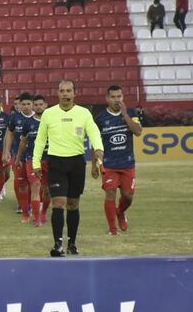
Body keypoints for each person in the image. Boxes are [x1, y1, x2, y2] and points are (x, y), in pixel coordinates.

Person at [33, 80, 104, 257]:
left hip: (77, 163)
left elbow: (94, 132)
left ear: (74, 94)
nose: (65, 94)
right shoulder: (49, 114)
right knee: (59, 203)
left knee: (73, 204)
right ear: (57, 94)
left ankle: (72, 242)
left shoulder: (84, 113)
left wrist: (98, 149)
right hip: (56, 162)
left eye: (68, 91)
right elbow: (40, 140)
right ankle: (57, 244)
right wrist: (36, 163)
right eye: (62, 91)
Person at [93, 85, 142, 236]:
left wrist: (125, 114)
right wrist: (94, 164)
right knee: (110, 194)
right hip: (109, 164)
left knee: (128, 196)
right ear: (107, 99)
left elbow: (138, 131)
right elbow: (95, 142)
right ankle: (113, 229)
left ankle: (120, 212)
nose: (116, 100)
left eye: (119, 96)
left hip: (127, 163)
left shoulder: (131, 113)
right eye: (113, 97)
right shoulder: (100, 119)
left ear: (123, 98)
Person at [16, 94, 50, 226]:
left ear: (46, 105)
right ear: (33, 106)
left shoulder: (51, 121)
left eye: (41, 104)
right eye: (36, 105)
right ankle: (37, 219)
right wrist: (18, 159)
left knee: (47, 190)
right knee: (35, 186)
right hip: (32, 160)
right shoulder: (28, 123)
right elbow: (23, 143)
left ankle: (44, 212)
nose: (38, 107)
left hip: (49, 159)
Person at [3, 93, 36, 218]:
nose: (26, 107)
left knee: (34, 182)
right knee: (20, 182)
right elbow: (9, 134)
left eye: (28, 104)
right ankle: (23, 205)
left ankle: (33, 204)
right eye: (24, 104)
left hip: (34, 157)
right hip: (18, 156)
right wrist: (6, 151)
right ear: (19, 105)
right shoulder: (14, 118)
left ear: (32, 104)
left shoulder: (40, 118)